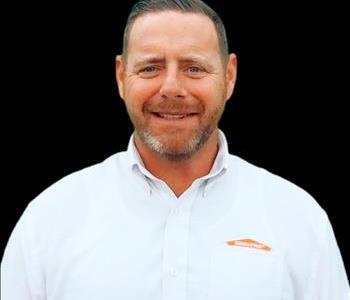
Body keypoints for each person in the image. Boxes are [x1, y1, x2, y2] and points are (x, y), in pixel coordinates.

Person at [1, 0, 349, 299]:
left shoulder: (299, 220)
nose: (171, 88)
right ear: (121, 77)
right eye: (150, 67)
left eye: (193, 68)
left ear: (229, 77)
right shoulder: (48, 221)